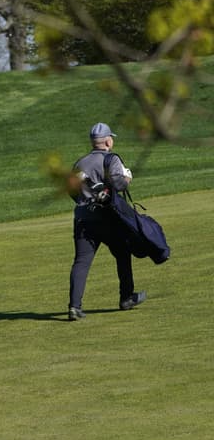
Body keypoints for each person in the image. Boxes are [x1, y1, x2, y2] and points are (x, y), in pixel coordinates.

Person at [68, 123, 146, 321]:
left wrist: (83, 201)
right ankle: (126, 298)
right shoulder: (112, 159)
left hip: (84, 219)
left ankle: (74, 307)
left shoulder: (80, 163)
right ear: (108, 141)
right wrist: (128, 178)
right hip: (109, 220)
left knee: (81, 262)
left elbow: (70, 189)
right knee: (122, 254)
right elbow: (119, 184)